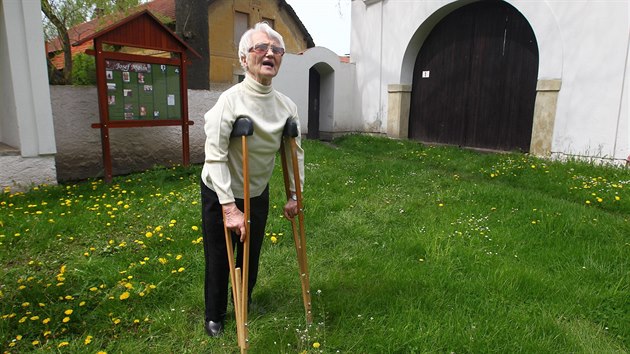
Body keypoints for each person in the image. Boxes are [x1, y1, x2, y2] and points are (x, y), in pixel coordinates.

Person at [200, 22, 305, 337]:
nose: (270, 53)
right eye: (261, 48)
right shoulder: (229, 102)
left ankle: (243, 301)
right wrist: (230, 209)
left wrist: (295, 195)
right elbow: (215, 155)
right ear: (244, 59)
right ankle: (215, 314)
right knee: (221, 255)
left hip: (256, 190)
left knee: (251, 253)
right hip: (221, 190)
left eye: (276, 50)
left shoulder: (287, 107)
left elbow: (293, 153)